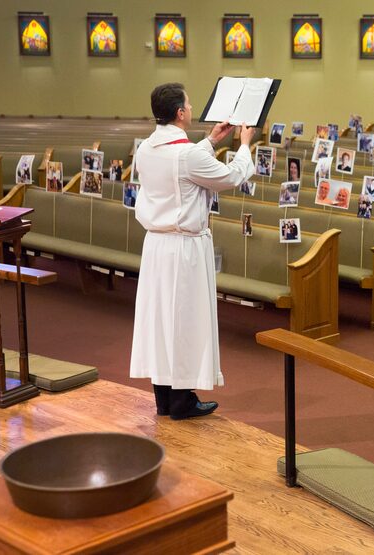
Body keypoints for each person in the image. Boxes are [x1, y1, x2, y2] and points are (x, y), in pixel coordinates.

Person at [130, 82, 255, 420]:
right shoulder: (187, 155)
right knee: (183, 321)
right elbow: (229, 177)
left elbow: (182, 164)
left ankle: (165, 399)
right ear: (181, 113)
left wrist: (212, 140)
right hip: (184, 248)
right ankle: (182, 401)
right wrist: (244, 145)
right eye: (189, 103)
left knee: (161, 322)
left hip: (157, 246)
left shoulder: (146, 149)